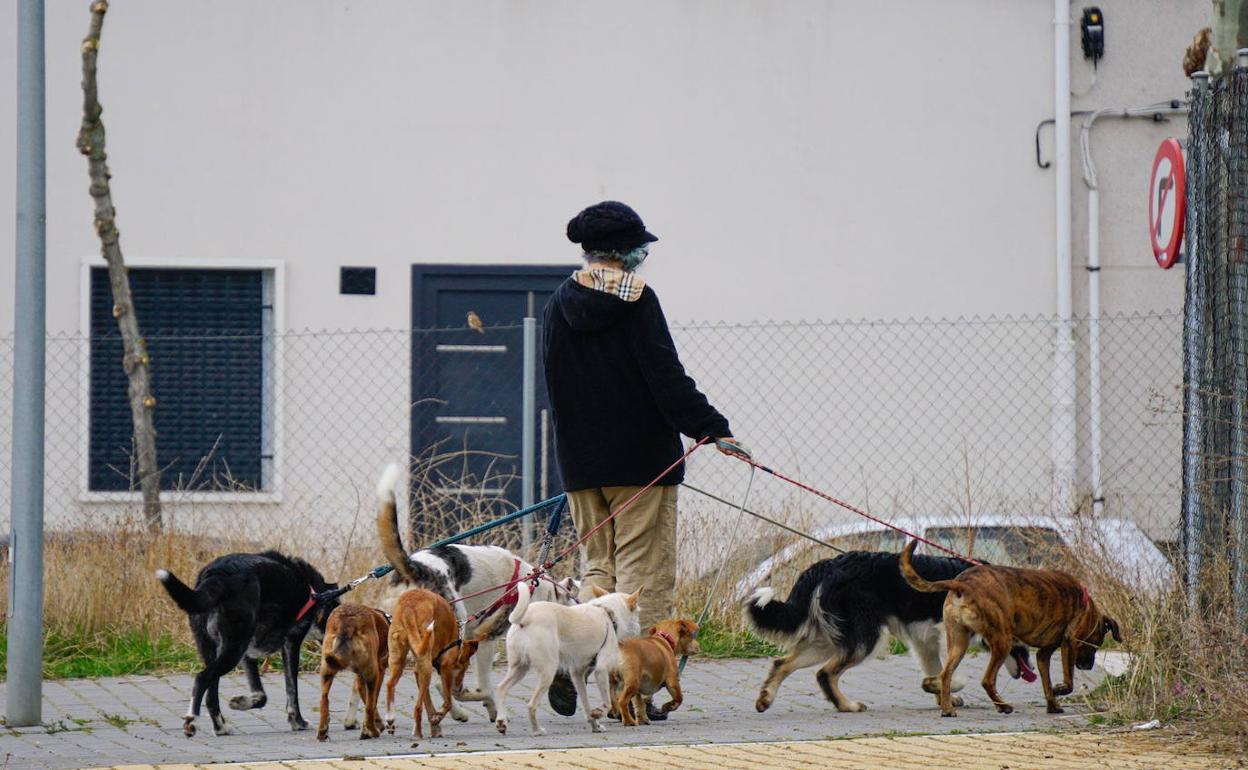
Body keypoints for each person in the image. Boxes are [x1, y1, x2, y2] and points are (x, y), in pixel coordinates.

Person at [542, 200, 747, 718]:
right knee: (642, 579)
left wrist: (577, 452)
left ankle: (581, 667)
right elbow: (665, 376)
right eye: (640, 246)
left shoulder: (557, 304)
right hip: (642, 464)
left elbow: (557, 387)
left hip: (582, 466)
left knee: (598, 571)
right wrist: (711, 428)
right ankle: (637, 687)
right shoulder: (638, 301)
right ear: (624, 251)